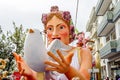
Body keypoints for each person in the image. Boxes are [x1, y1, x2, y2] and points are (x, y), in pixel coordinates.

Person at [13, 5, 92, 80]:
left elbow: (85, 77)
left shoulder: (83, 52)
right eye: (50, 28)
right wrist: (29, 75)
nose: (54, 34)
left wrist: (68, 70)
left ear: (70, 31)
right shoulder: (43, 56)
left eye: (61, 27)